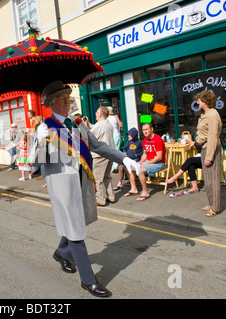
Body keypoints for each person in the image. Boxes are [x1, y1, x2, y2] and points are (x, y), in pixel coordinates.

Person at [30, 80, 140, 298]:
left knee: (77, 222)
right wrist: (40, 141)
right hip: (62, 187)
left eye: (68, 98)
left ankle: (62, 252)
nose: (67, 102)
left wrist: (125, 158)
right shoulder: (44, 128)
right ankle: (88, 280)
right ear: (51, 104)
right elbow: (35, 163)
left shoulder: (78, 123)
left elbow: (98, 146)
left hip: (82, 181)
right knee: (76, 230)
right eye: (62, 99)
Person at [189, 90, 222, 217]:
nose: (198, 102)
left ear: (206, 102)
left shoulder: (213, 115)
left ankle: (215, 207)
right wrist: (196, 143)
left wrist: (209, 156)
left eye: (200, 100)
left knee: (213, 180)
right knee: (208, 180)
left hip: (210, 149)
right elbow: (204, 134)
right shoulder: (206, 114)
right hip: (204, 148)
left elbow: (213, 136)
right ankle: (211, 203)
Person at [125, 123, 166, 201]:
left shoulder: (157, 139)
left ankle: (145, 192)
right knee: (129, 168)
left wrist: (146, 163)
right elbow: (145, 154)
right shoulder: (145, 140)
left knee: (140, 170)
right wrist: (140, 161)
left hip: (159, 163)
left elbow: (159, 157)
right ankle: (133, 188)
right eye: (143, 130)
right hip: (148, 161)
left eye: (147, 129)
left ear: (152, 129)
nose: (145, 132)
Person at [90, 106, 116, 206]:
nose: (96, 114)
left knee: (98, 178)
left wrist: (84, 126)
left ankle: (100, 199)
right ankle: (111, 196)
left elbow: (90, 136)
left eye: (97, 112)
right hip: (110, 152)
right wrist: (89, 125)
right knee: (107, 176)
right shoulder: (107, 123)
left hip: (100, 154)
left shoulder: (99, 125)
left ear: (100, 114)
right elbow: (97, 130)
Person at [107, 106, 123, 172]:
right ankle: (115, 166)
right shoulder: (115, 117)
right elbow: (121, 125)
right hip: (116, 135)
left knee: (111, 151)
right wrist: (117, 119)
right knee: (117, 150)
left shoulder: (106, 119)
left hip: (110, 135)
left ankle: (112, 167)